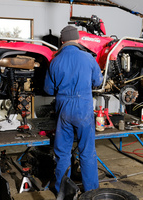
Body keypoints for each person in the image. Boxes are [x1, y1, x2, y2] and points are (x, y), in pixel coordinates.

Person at [43, 25, 103, 193]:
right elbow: (98, 82)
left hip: (64, 109)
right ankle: (91, 192)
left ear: (62, 41)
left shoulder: (55, 60)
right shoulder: (88, 58)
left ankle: (63, 192)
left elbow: (48, 90)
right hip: (83, 108)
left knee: (62, 153)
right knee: (87, 151)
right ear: (78, 39)